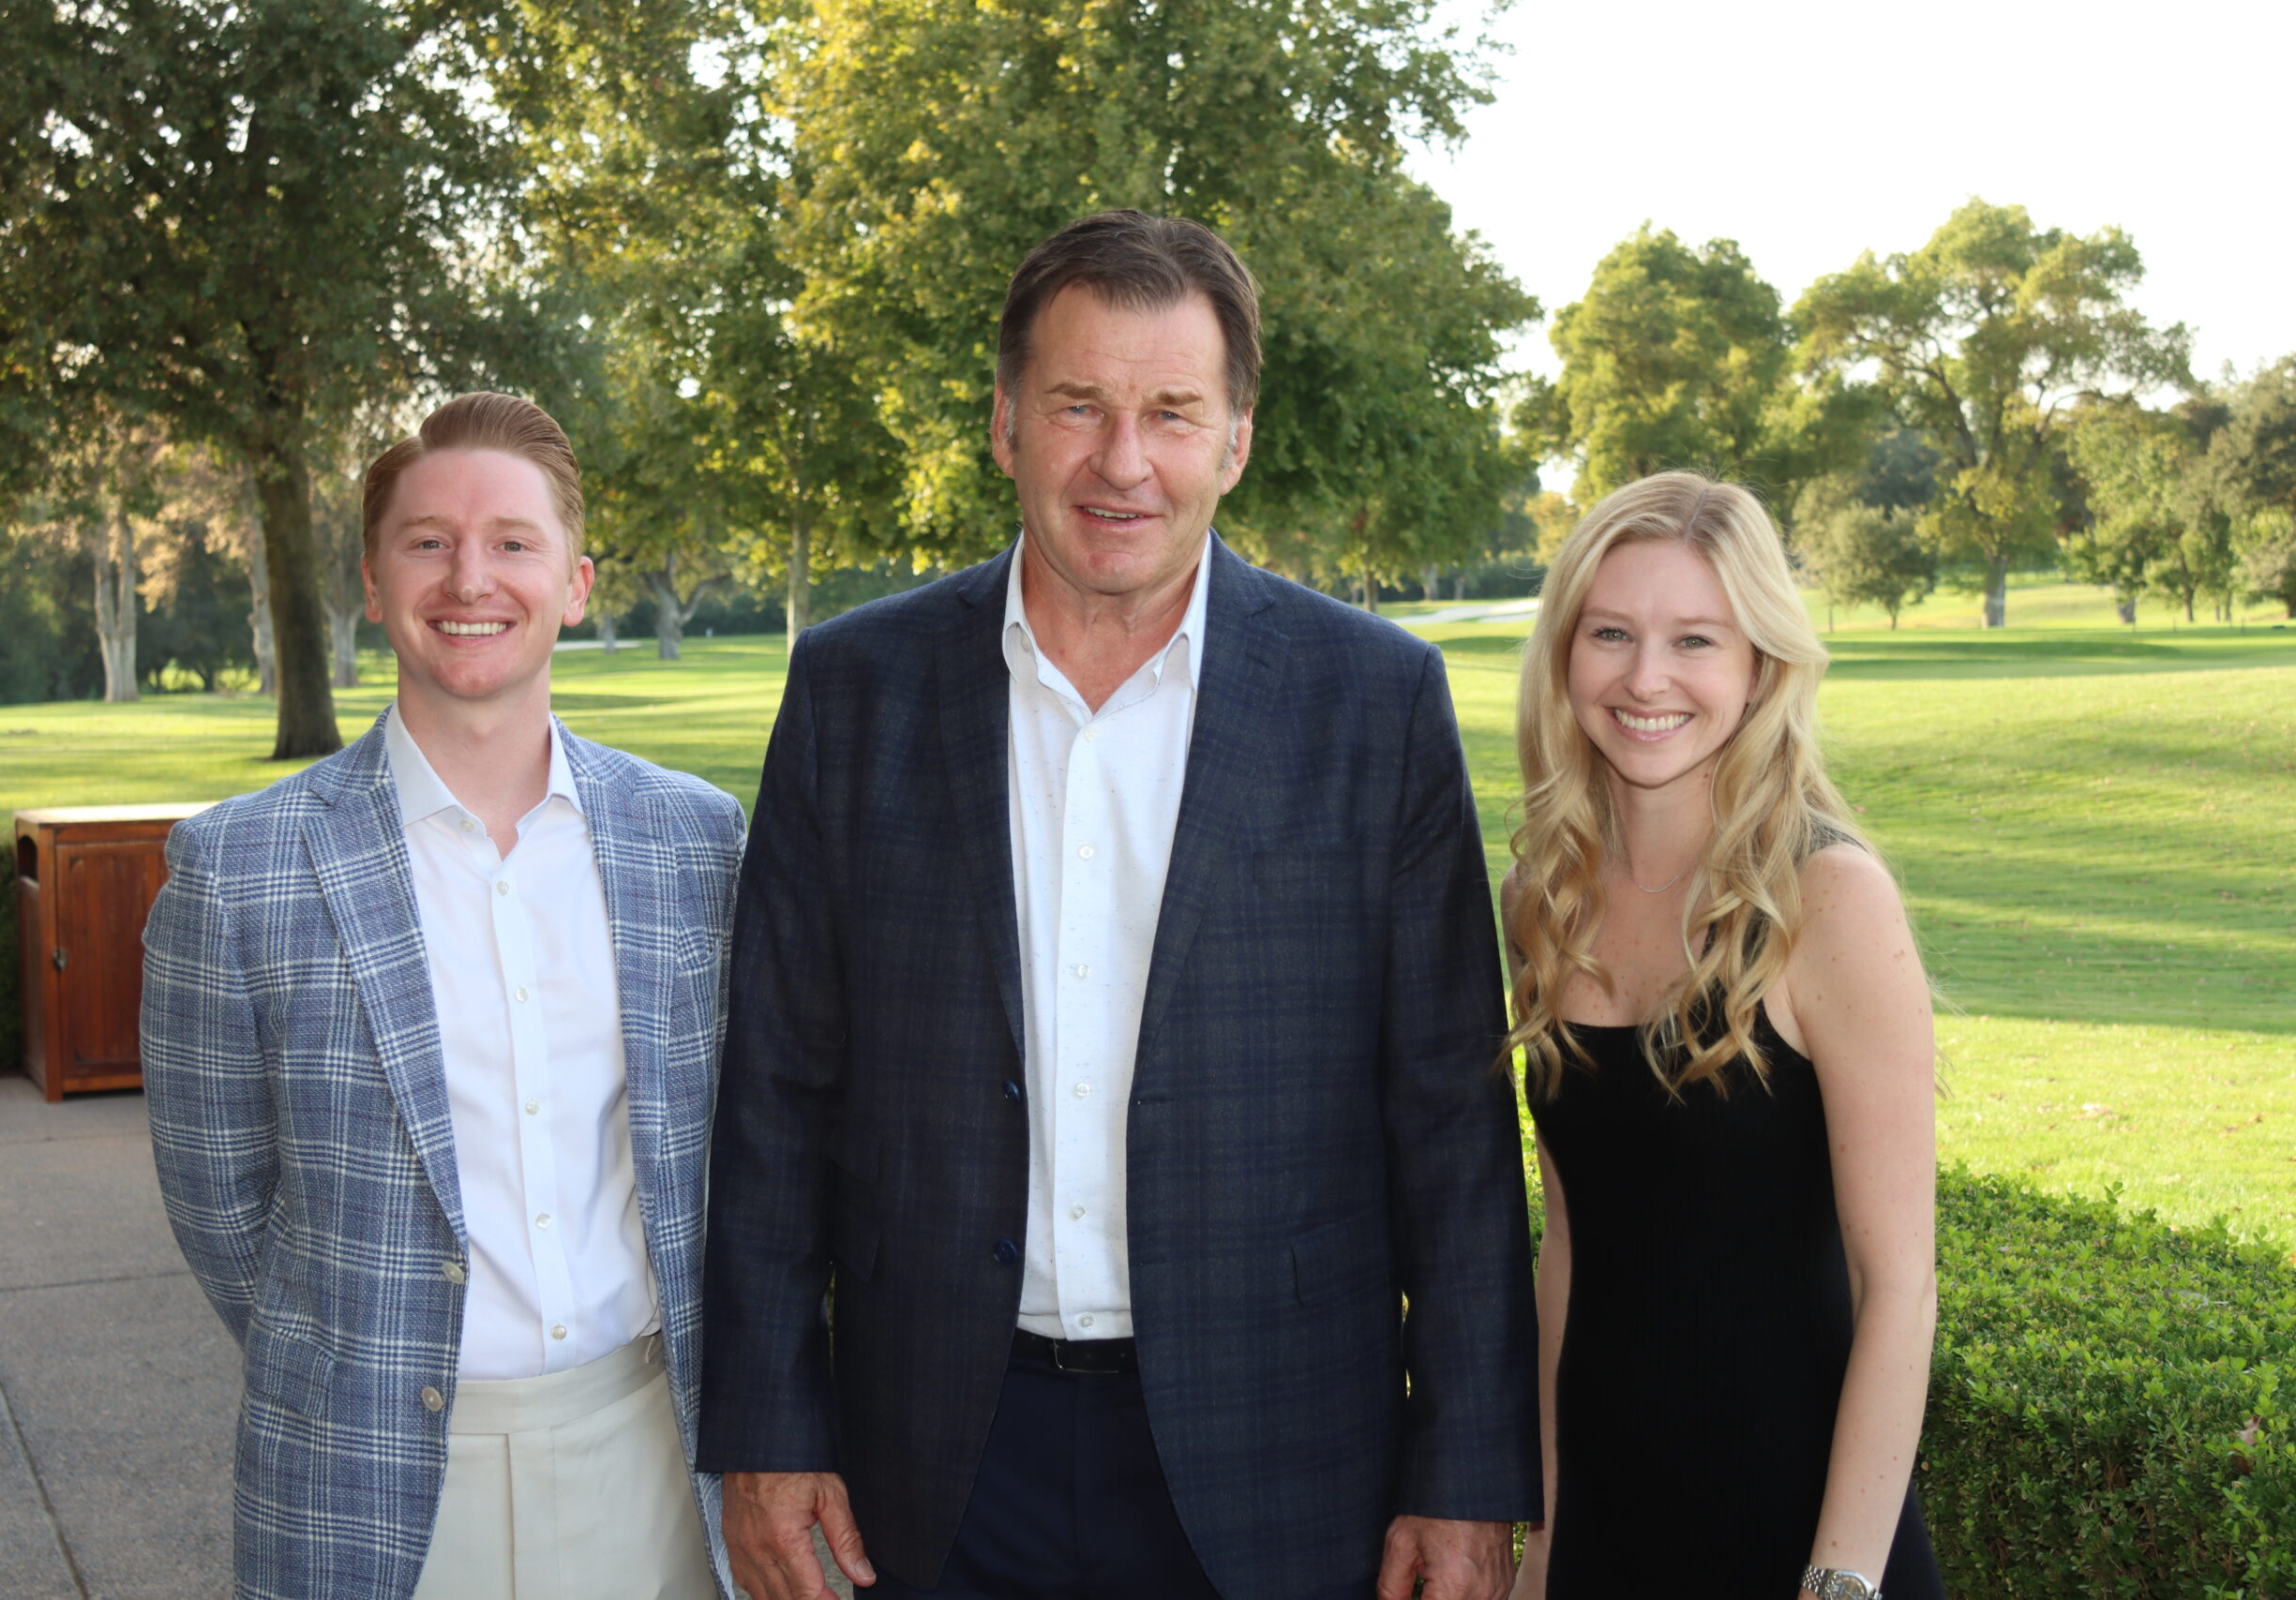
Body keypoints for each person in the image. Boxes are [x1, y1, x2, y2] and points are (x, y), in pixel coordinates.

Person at [697, 209, 1542, 1600]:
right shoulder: (856, 690)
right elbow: (777, 1090)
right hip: (930, 1462)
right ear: (1005, 422)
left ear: (1235, 440)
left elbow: (1450, 1120)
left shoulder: (1373, 703)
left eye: (1171, 412)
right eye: (1079, 404)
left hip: (1280, 1456)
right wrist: (769, 1430)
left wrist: (1462, 1473)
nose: (1123, 461)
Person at [141, 393, 743, 1600]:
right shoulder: (237, 869)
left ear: (575, 583)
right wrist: (353, 1358)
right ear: (373, 584)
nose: (471, 578)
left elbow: (739, 1146)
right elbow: (221, 1204)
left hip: (654, 1461)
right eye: (429, 542)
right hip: (369, 1479)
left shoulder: (697, 842)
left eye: (514, 541)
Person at [1499, 472, 1943, 1600]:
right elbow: (1570, 1243)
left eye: (1694, 639)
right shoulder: (1542, 900)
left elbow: (1896, 1285)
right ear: (1564, 653)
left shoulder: (1826, 899)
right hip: (1605, 1531)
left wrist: (1839, 1581)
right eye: (1610, 633)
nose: (1645, 678)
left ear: (1759, 667)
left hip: (1797, 1533)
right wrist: (1544, 1533)